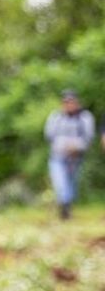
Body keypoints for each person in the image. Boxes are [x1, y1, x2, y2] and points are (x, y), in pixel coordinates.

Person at [45, 88, 95, 219]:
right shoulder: (55, 117)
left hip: (75, 158)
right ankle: (64, 207)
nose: (69, 105)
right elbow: (49, 136)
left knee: (71, 183)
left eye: (71, 102)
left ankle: (67, 207)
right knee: (60, 182)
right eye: (66, 102)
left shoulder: (84, 118)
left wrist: (76, 146)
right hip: (57, 156)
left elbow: (89, 138)